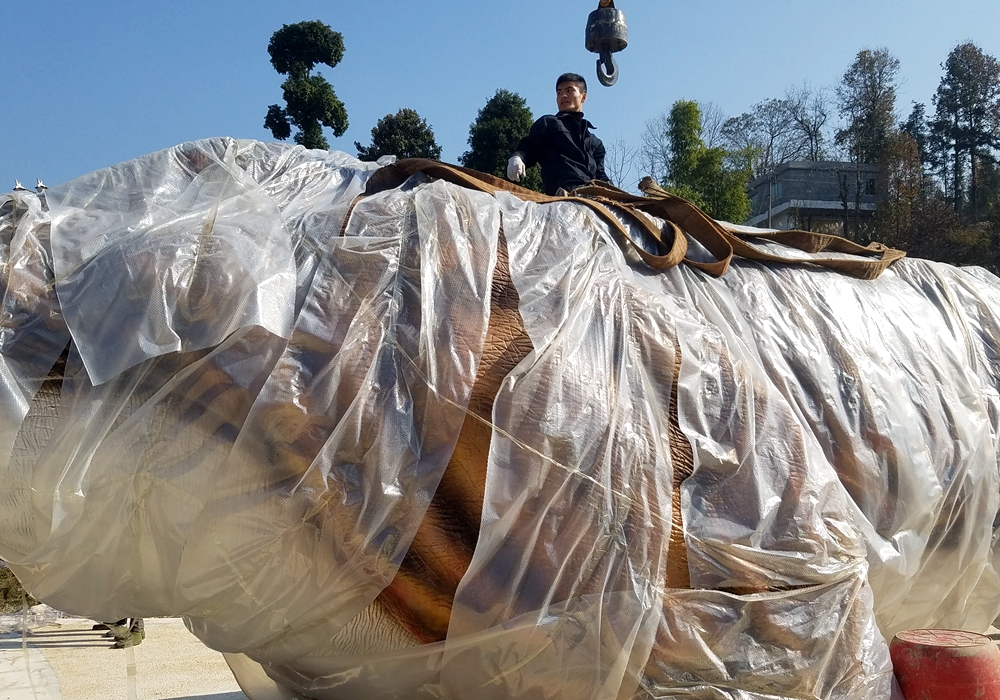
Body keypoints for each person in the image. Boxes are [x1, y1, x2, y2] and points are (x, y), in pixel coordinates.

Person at [507, 73, 609, 196]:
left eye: (569, 90)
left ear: (583, 97)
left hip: (592, 199)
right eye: (559, 92)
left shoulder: (595, 143)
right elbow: (529, 147)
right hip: (560, 198)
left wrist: (618, 195)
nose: (563, 95)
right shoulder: (548, 123)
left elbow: (601, 177)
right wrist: (517, 157)